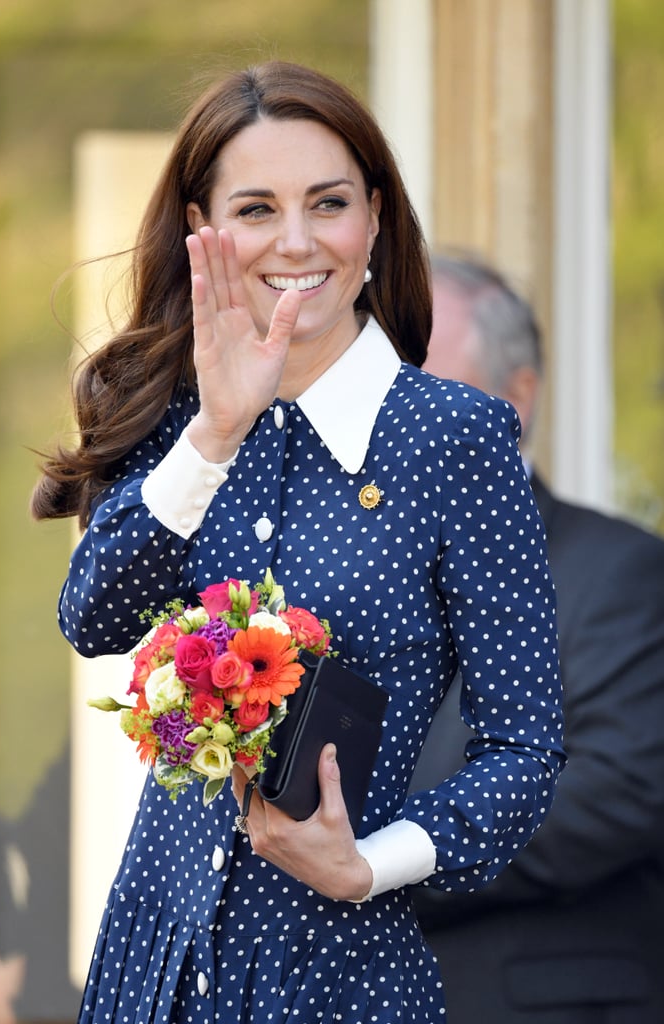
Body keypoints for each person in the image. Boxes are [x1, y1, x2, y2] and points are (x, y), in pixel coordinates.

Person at [31, 62, 565, 1023]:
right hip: (152, 968)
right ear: (204, 229)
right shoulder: (175, 418)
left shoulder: (457, 441)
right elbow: (92, 616)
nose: (294, 240)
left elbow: (523, 748)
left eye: (327, 203)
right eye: (255, 208)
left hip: (338, 974)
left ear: (374, 222)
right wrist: (213, 434)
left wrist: (370, 863)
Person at [412, 253, 664, 1022]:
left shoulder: (621, 572)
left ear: (515, 401)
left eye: (420, 383)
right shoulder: (330, 580)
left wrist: (375, 862)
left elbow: (618, 791)